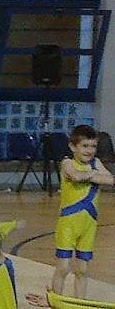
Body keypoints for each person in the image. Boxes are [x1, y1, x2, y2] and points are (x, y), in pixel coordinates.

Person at [50, 124, 113, 299]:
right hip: (68, 222)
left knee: (83, 269)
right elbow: (76, 176)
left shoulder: (95, 162)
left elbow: (110, 180)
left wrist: (89, 174)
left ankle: (80, 302)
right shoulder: (67, 163)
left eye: (93, 146)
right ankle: (56, 303)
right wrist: (94, 175)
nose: (89, 150)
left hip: (89, 223)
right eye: (85, 146)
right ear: (73, 146)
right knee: (63, 267)